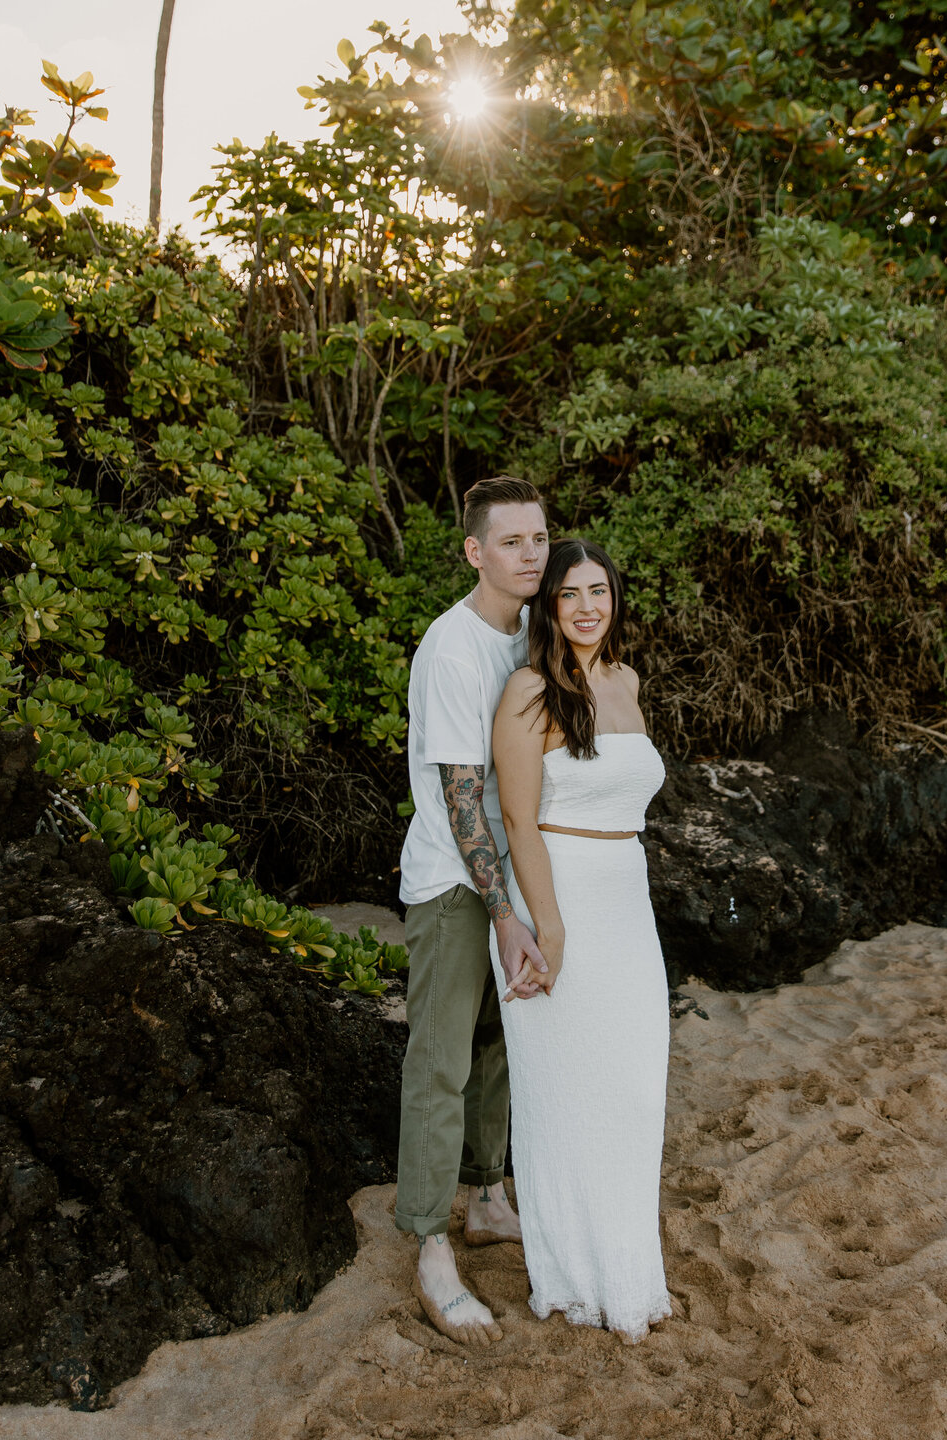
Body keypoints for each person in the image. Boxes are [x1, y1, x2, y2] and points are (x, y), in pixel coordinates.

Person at [490, 537, 671, 1342]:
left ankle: (630, 1263)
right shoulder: (530, 690)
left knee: (633, 1090)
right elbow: (518, 819)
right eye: (570, 594)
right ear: (548, 607)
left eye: (599, 591)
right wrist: (547, 928)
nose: (588, 607)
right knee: (564, 1092)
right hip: (558, 895)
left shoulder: (627, 682)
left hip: (627, 898)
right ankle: (572, 1275)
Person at [395, 475, 551, 1345]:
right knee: (441, 1060)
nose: (529, 554)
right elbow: (463, 803)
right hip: (456, 882)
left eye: (539, 539)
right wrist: (503, 913)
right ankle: (427, 1242)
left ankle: (489, 1195)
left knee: (501, 1044)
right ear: (474, 551)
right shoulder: (452, 651)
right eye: (511, 542)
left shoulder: (529, 629)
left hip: (512, 875)